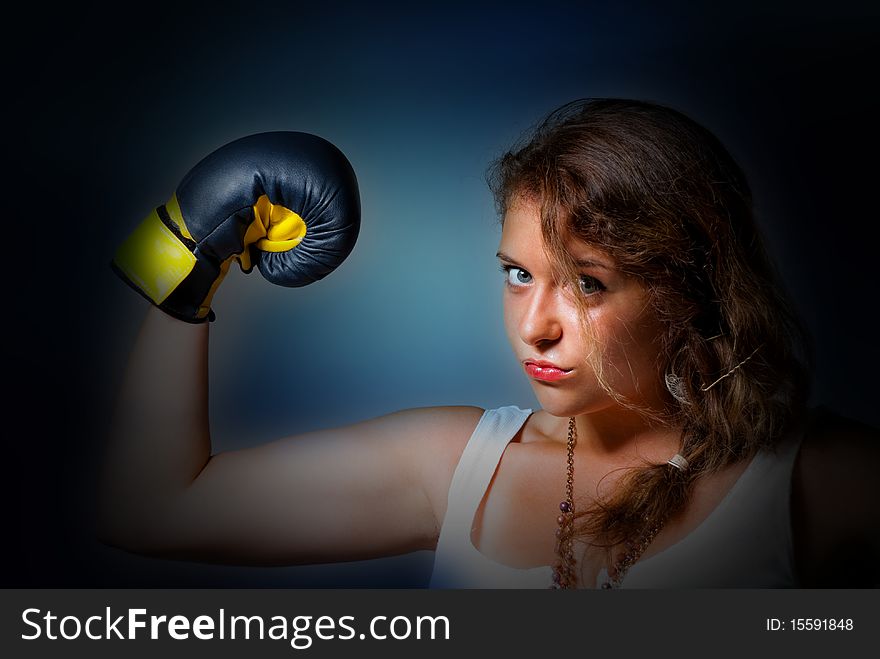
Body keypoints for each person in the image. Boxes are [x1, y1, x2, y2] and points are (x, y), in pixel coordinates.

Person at [99, 98, 879, 589]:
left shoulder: (813, 481)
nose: (534, 323)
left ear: (689, 287)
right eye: (516, 273)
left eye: (588, 284)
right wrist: (186, 256)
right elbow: (153, 508)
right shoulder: (458, 466)